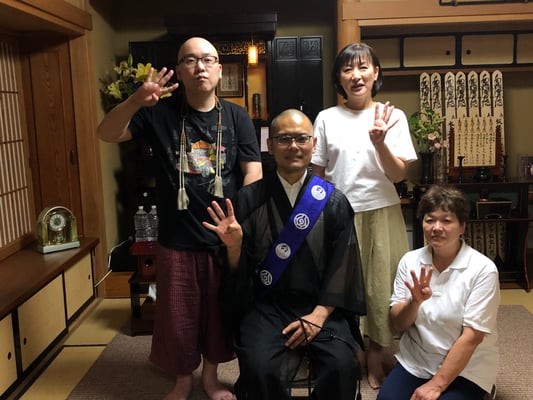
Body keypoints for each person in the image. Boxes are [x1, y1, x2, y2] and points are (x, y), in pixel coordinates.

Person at [97, 37, 262, 400]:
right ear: (179, 71)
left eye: (208, 60)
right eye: (190, 60)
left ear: (219, 69)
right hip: (176, 237)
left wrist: (241, 220)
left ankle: (211, 379)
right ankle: (183, 380)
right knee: (178, 315)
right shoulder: (159, 112)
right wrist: (135, 100)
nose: (200, 66)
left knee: (217, 314)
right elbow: (106, 133)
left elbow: (253, 170)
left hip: (221, 237)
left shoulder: (236, 117)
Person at [203, 109, 366, 400]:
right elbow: (237, 274)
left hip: (320, 305)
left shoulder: (333, 201)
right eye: (284, 139)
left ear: (314, 144)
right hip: (265, 306)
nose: (294, 146)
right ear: (269, 145)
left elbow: (344, 263)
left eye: (302, 139)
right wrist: (233, 247)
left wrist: (319, 314)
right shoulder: (247, 199)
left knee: (342, 365)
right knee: (259, 366)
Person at [310, 42, 418, 388]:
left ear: (375, 73)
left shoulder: (392, 116)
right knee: (340, 283)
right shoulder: (326, 118)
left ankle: (376, 355)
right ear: (338, 78)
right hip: (339, 213)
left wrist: (380, 141)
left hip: (382, 210)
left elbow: (398, 175)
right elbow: (317, 176)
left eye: (363, 67)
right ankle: (349, 350)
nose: (356, 76)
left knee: (381, 285)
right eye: (347, 69)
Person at [377, 184, 500, 400]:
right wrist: (414, 302)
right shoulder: (410, 261)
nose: (436, 227)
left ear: (462, 227)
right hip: (417, 360)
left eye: (446, 220)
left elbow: (472, 337)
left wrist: (435, 385)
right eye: (430, 220)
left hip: (467, 366)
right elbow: (397, 324)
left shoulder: (482, 269)